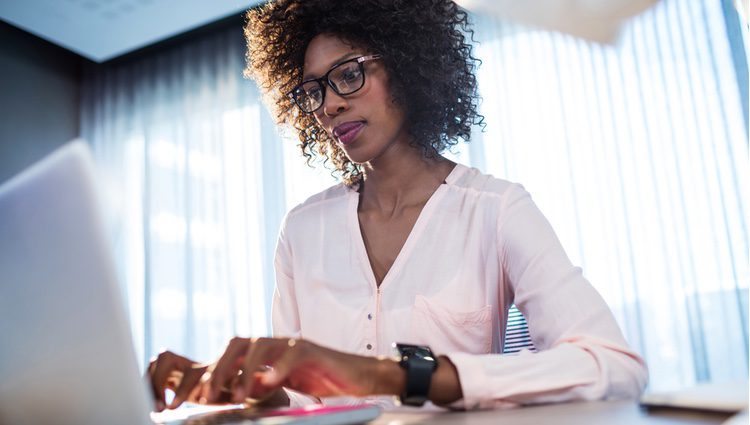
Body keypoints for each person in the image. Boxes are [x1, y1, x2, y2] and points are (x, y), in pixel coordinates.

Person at [148, 0, 648, 412]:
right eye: (313, 91)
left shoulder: (496, 209)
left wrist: (390, 374)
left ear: (407, 65)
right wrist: (241, 386)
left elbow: (613, 365)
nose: (329, 105)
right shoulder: (301, 230)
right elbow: (301, 402)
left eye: (348, 75)